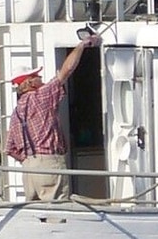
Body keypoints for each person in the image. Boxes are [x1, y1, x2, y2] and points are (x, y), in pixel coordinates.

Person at [6, 26, 98, 201]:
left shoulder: (16, 112)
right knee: (56, 213)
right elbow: (66, 71)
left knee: (35, 215)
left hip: (28, 170)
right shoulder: (41, 96)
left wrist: (29, 160)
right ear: (30, 82)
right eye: (37, 76)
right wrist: (81, 46)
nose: (41, 78)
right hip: (49, 163)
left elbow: (9, 148)